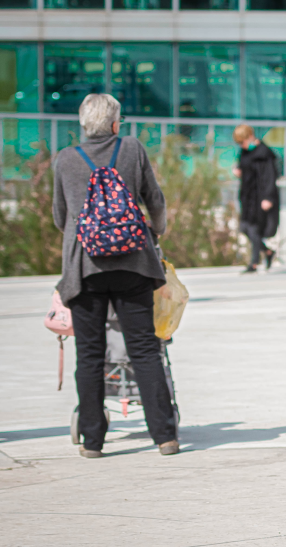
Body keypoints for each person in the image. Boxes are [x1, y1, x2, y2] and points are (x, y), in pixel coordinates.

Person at [52, 93, 179, 459]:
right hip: (133, 263)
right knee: (144, 349)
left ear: (82, 124)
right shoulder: (132, 149)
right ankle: (165, 437)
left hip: (84, 268)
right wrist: (155, 231)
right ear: (114, 123)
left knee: (89, 354)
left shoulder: (65, 160)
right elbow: (153, 199)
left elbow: (62, 217)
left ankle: (93, 441)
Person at [232, 125, 280, 273]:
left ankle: (254, 263)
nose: (242, 145)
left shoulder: (264, 153)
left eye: (243, 141)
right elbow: (244, 168)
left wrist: (268, 198)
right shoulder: (245, 152)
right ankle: (267, 252)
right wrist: (238, 171)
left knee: (254, 228)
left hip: (260, 197)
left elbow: (270, 176)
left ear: (250, 137)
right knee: (245, 228)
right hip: (248, 196)